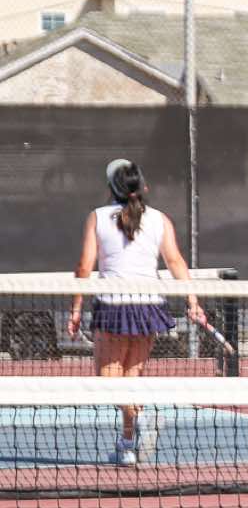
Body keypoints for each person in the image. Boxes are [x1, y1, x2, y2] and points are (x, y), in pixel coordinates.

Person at [66, 159, 213, 466]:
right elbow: (176, 262)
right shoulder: (160, 219)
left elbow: (84, 266)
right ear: (143, 186)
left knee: (110, 383)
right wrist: (192, 300)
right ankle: (128, 444)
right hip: (147, 308)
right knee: (131, 380)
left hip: (115, 307)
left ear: (110, 188)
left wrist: (76, 308)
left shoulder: (98, 217)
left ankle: (137, 425)